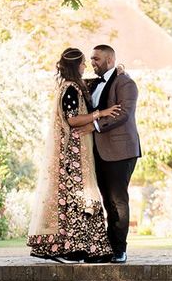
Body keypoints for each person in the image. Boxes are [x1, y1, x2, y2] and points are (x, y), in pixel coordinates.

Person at [27, 47, 118, 263]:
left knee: (81, 199)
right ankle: (72, 247)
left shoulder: (72, 86)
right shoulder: (70, 89)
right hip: (74, 156)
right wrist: (100, 113)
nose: (86, 66)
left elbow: (97, 82)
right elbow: (72, 119)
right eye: (83, 63)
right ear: (76, 66)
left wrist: (118, 70)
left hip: (79, 153)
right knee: (79, 198)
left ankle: (81, 247)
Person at [73, 45, 140, 264]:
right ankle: (106, 248)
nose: (92, 62)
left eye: (97, 59)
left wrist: (95, 126)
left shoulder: (125, 83)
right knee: (105, 200)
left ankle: (119, 250)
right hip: (98, 151)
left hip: (121, 150)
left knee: (118, 200)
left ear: (110, 59)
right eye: (91, 59)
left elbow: (123, 113)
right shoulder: (92, 83)